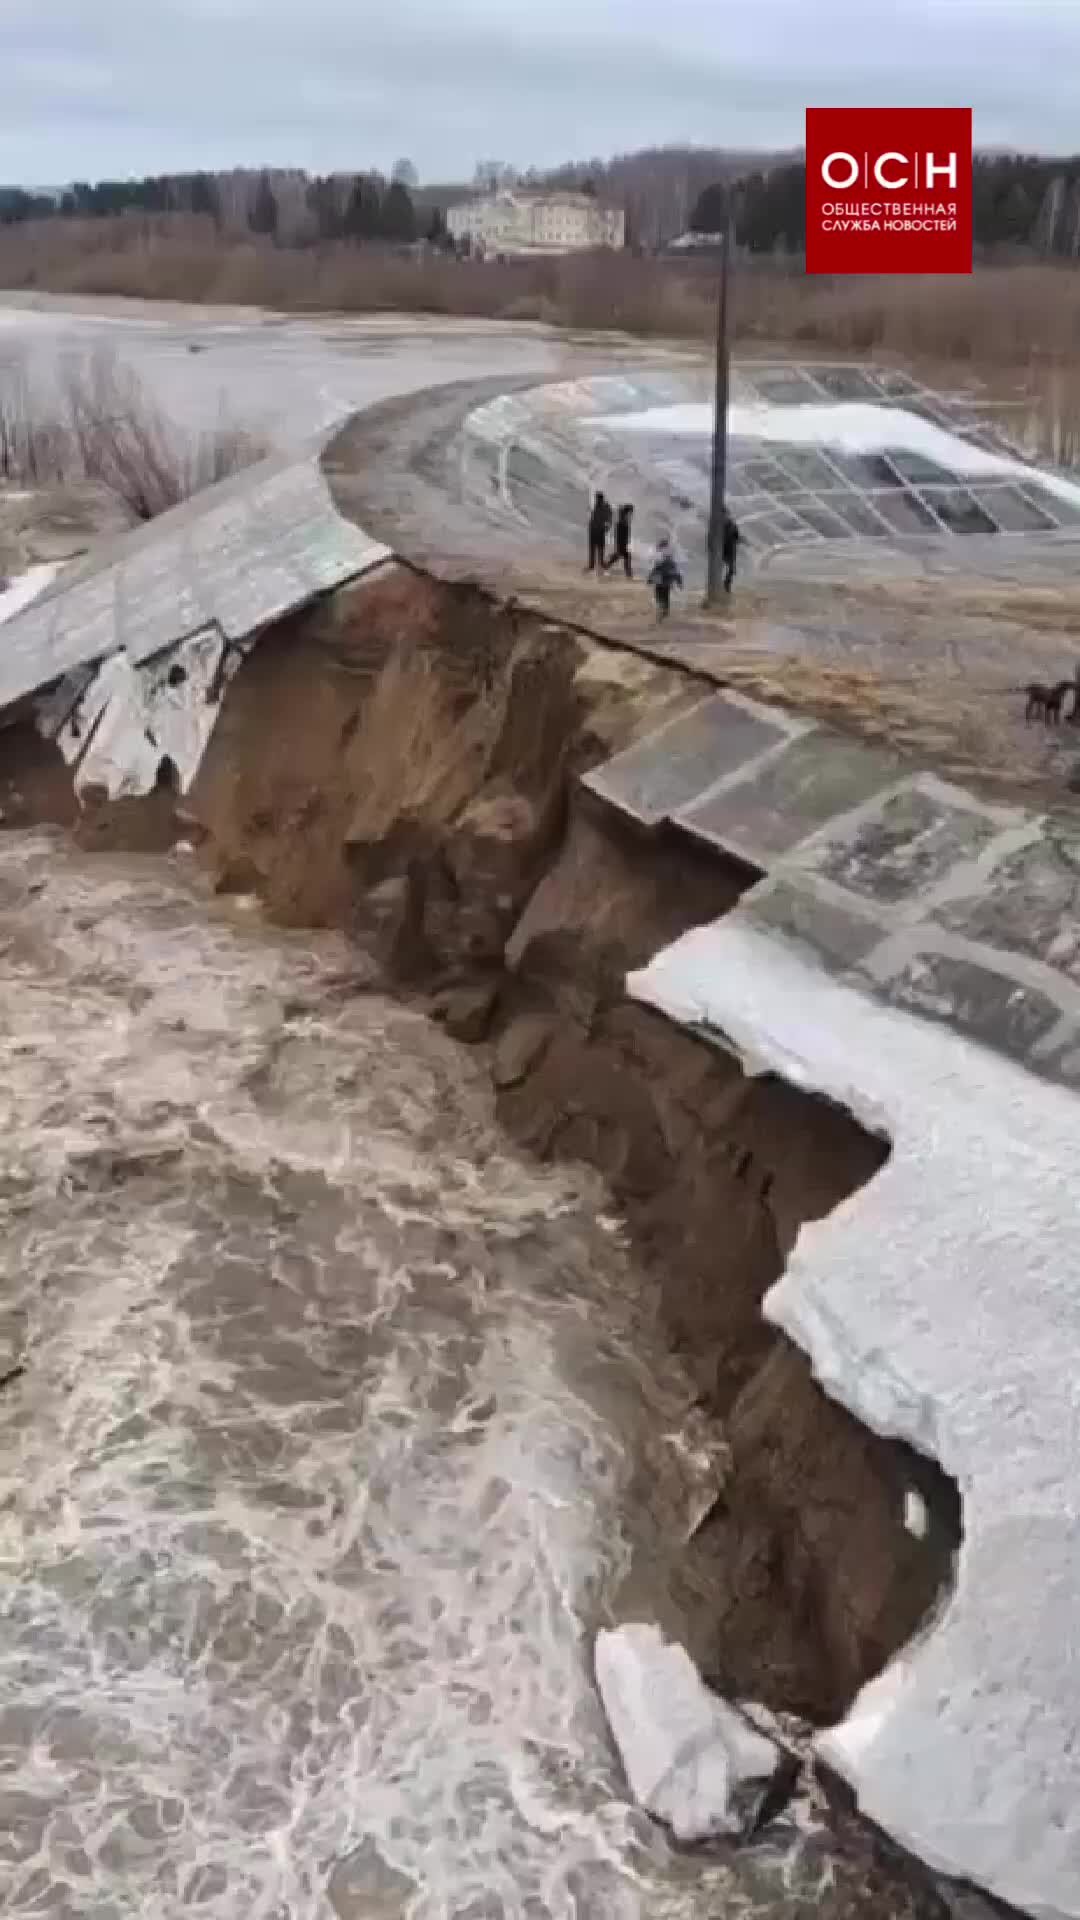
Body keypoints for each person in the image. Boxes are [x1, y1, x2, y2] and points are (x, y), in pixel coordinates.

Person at [647, 537, 683, 621]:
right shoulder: (671, 561)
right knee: (665, 596)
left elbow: (655, 570)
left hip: (660, 581)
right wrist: (679, 582)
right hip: (666, 581)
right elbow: (676, 573)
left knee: (659, 595)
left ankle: (662, 608)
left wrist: (650, 580)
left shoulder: (659, 559)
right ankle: (665, 610)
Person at [603, 503, 635, 577]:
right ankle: (628, 573)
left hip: (621, 541)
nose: (631, 514)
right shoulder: (622, 521)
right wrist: (623, 541)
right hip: (621, 542)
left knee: (618, 555)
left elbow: (624, 532)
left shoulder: (624, 520)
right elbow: (620, 533)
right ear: (627, 511)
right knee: (625, 555)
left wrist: (626, 540)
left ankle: (605, 565)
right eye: (631, 512)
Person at [586, 491, 612, 572]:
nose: (596, 500)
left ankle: (600, 564)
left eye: (597, 498)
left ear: (600, 499)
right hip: (594, 529)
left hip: (599, 530)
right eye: (596, 498)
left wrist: (607, 527)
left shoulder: (605, 507)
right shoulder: (598, 506)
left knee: (599, 548)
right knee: (593, 548)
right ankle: (593, 565)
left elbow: (609, 518)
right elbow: (594, 518)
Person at [722, 510, 740, 593]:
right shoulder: (718, 525)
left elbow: (737, 537)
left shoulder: (733, 525)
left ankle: (726, 584)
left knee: (732, 569)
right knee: (720, 568)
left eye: (726, 515)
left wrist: (739, 540)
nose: (725, 517)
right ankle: (721, 585)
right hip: (720, 550)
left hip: (731, 550)